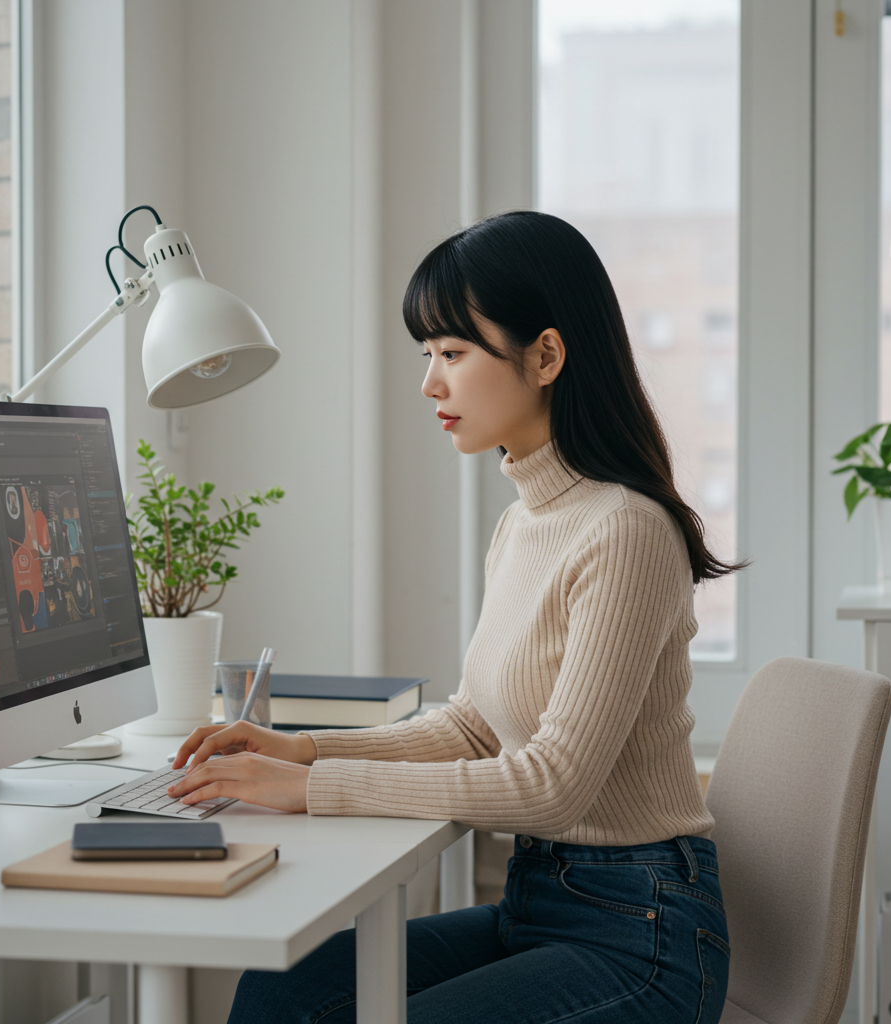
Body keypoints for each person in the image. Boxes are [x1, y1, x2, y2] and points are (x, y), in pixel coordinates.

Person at [169, 211, 742, 1024]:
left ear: (545, 355)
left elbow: (549, 786)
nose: (430, 384)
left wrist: (313, 787)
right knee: (281, 994)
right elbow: (475, 726)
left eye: (452, 353)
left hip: (640, 935)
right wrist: (298, 749)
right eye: (428, 356)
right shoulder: (524, 523)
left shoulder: (626, 531)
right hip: (539, 906)